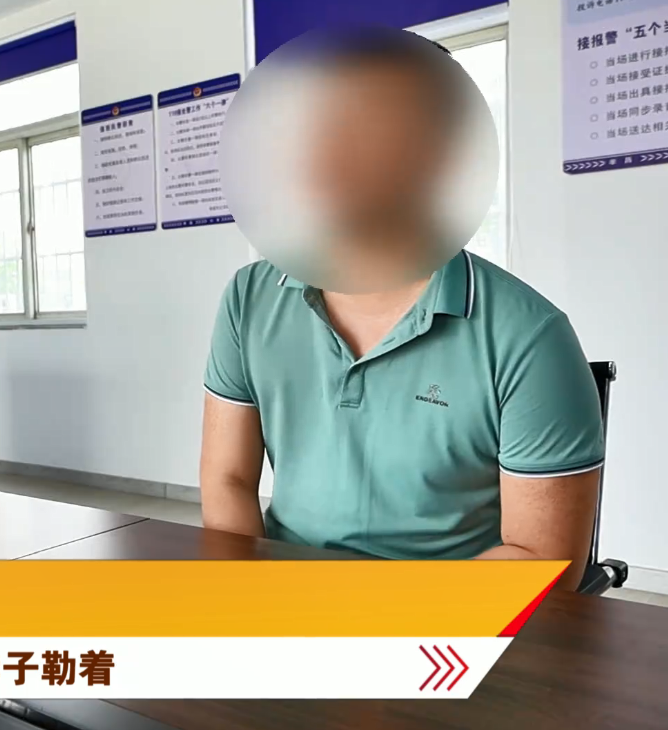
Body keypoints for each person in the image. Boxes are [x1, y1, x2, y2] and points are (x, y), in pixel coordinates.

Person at [201, 31, 605, 590]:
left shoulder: (529, 336)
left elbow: (541, 559)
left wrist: (377, 623)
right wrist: (257, 599)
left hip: (446, 618)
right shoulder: (250, 298)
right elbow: (227, 480)